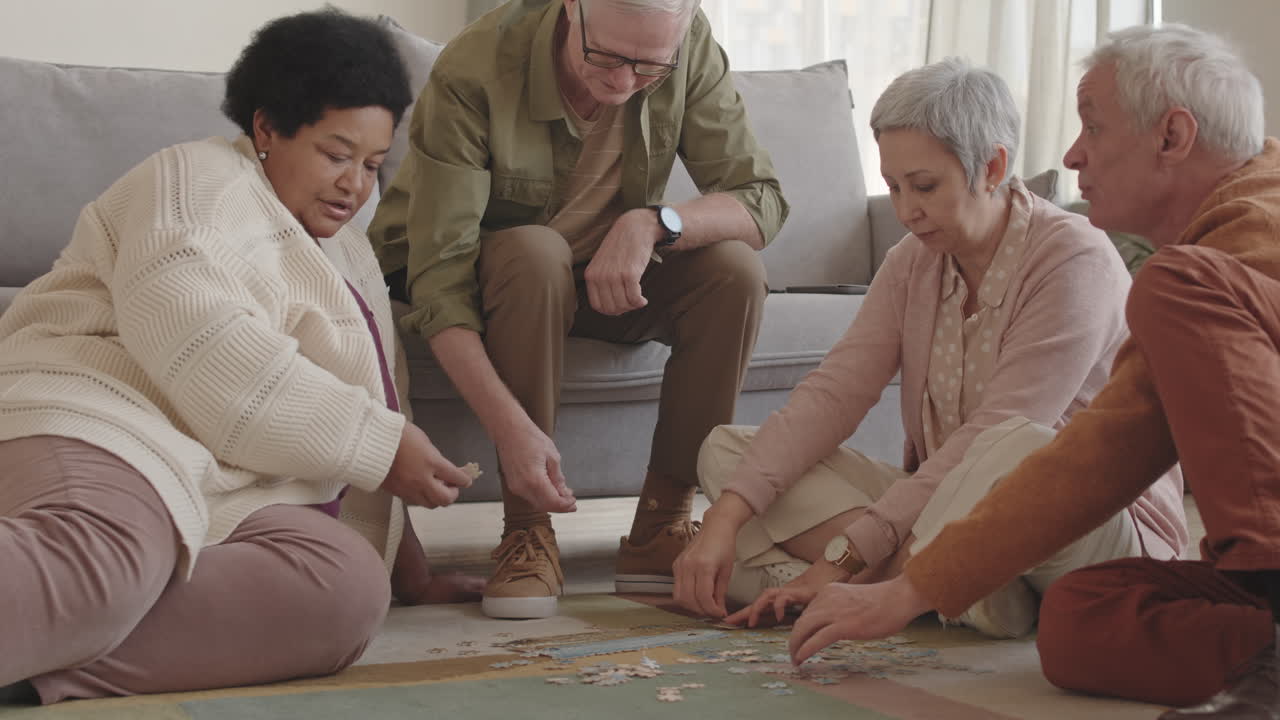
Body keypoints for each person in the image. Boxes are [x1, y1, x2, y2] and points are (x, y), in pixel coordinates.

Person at [779, 24, 1280, 719]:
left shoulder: (1231, 249)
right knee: (1076, 623)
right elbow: (1100, 454)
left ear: (1172, 136)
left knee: (1159, 295)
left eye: (1094, 129)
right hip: (1229, 580)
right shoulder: (1192, 276)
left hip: (1261, 564)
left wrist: (897, 581)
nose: (1073, 153)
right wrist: (911, 588)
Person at [0, 10, 482, 705]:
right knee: (110, 556)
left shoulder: (345, 253)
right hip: (101, 422)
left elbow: (371, 401)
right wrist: (380, 445)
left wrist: (407, 569)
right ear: (266, 128)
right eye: (335, 153)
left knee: (342, 591)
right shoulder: (194, 181)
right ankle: (61, 615)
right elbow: (206, 343)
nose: (354, 185)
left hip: (222, 482)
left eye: (372, 165)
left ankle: (40, 646)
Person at [671, 57, 1187, 640]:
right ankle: (957, 590)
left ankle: (890, 584)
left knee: (1014, 446)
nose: (905, 209)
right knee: (727, 454)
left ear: (992, 167)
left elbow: (991, 442)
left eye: (924, 186)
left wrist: (839, 559)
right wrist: (720, 520)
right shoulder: (913, 262)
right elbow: (835, 393)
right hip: (949, 510)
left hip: (1082, 523)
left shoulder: (1073, 259)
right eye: (892, 187)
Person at [367, 0, 787, 619]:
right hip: (491, 279)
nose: (623, 84)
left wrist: (656, 222)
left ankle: (660, 530)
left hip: (595, 280)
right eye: (606, 57)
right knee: (538, 252)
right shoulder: (477, 66)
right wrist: (511, 431)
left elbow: (761, 201)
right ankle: (527, 530)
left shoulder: (687, 43)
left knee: (734, 271)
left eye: (649, 69)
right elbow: (440, 282)